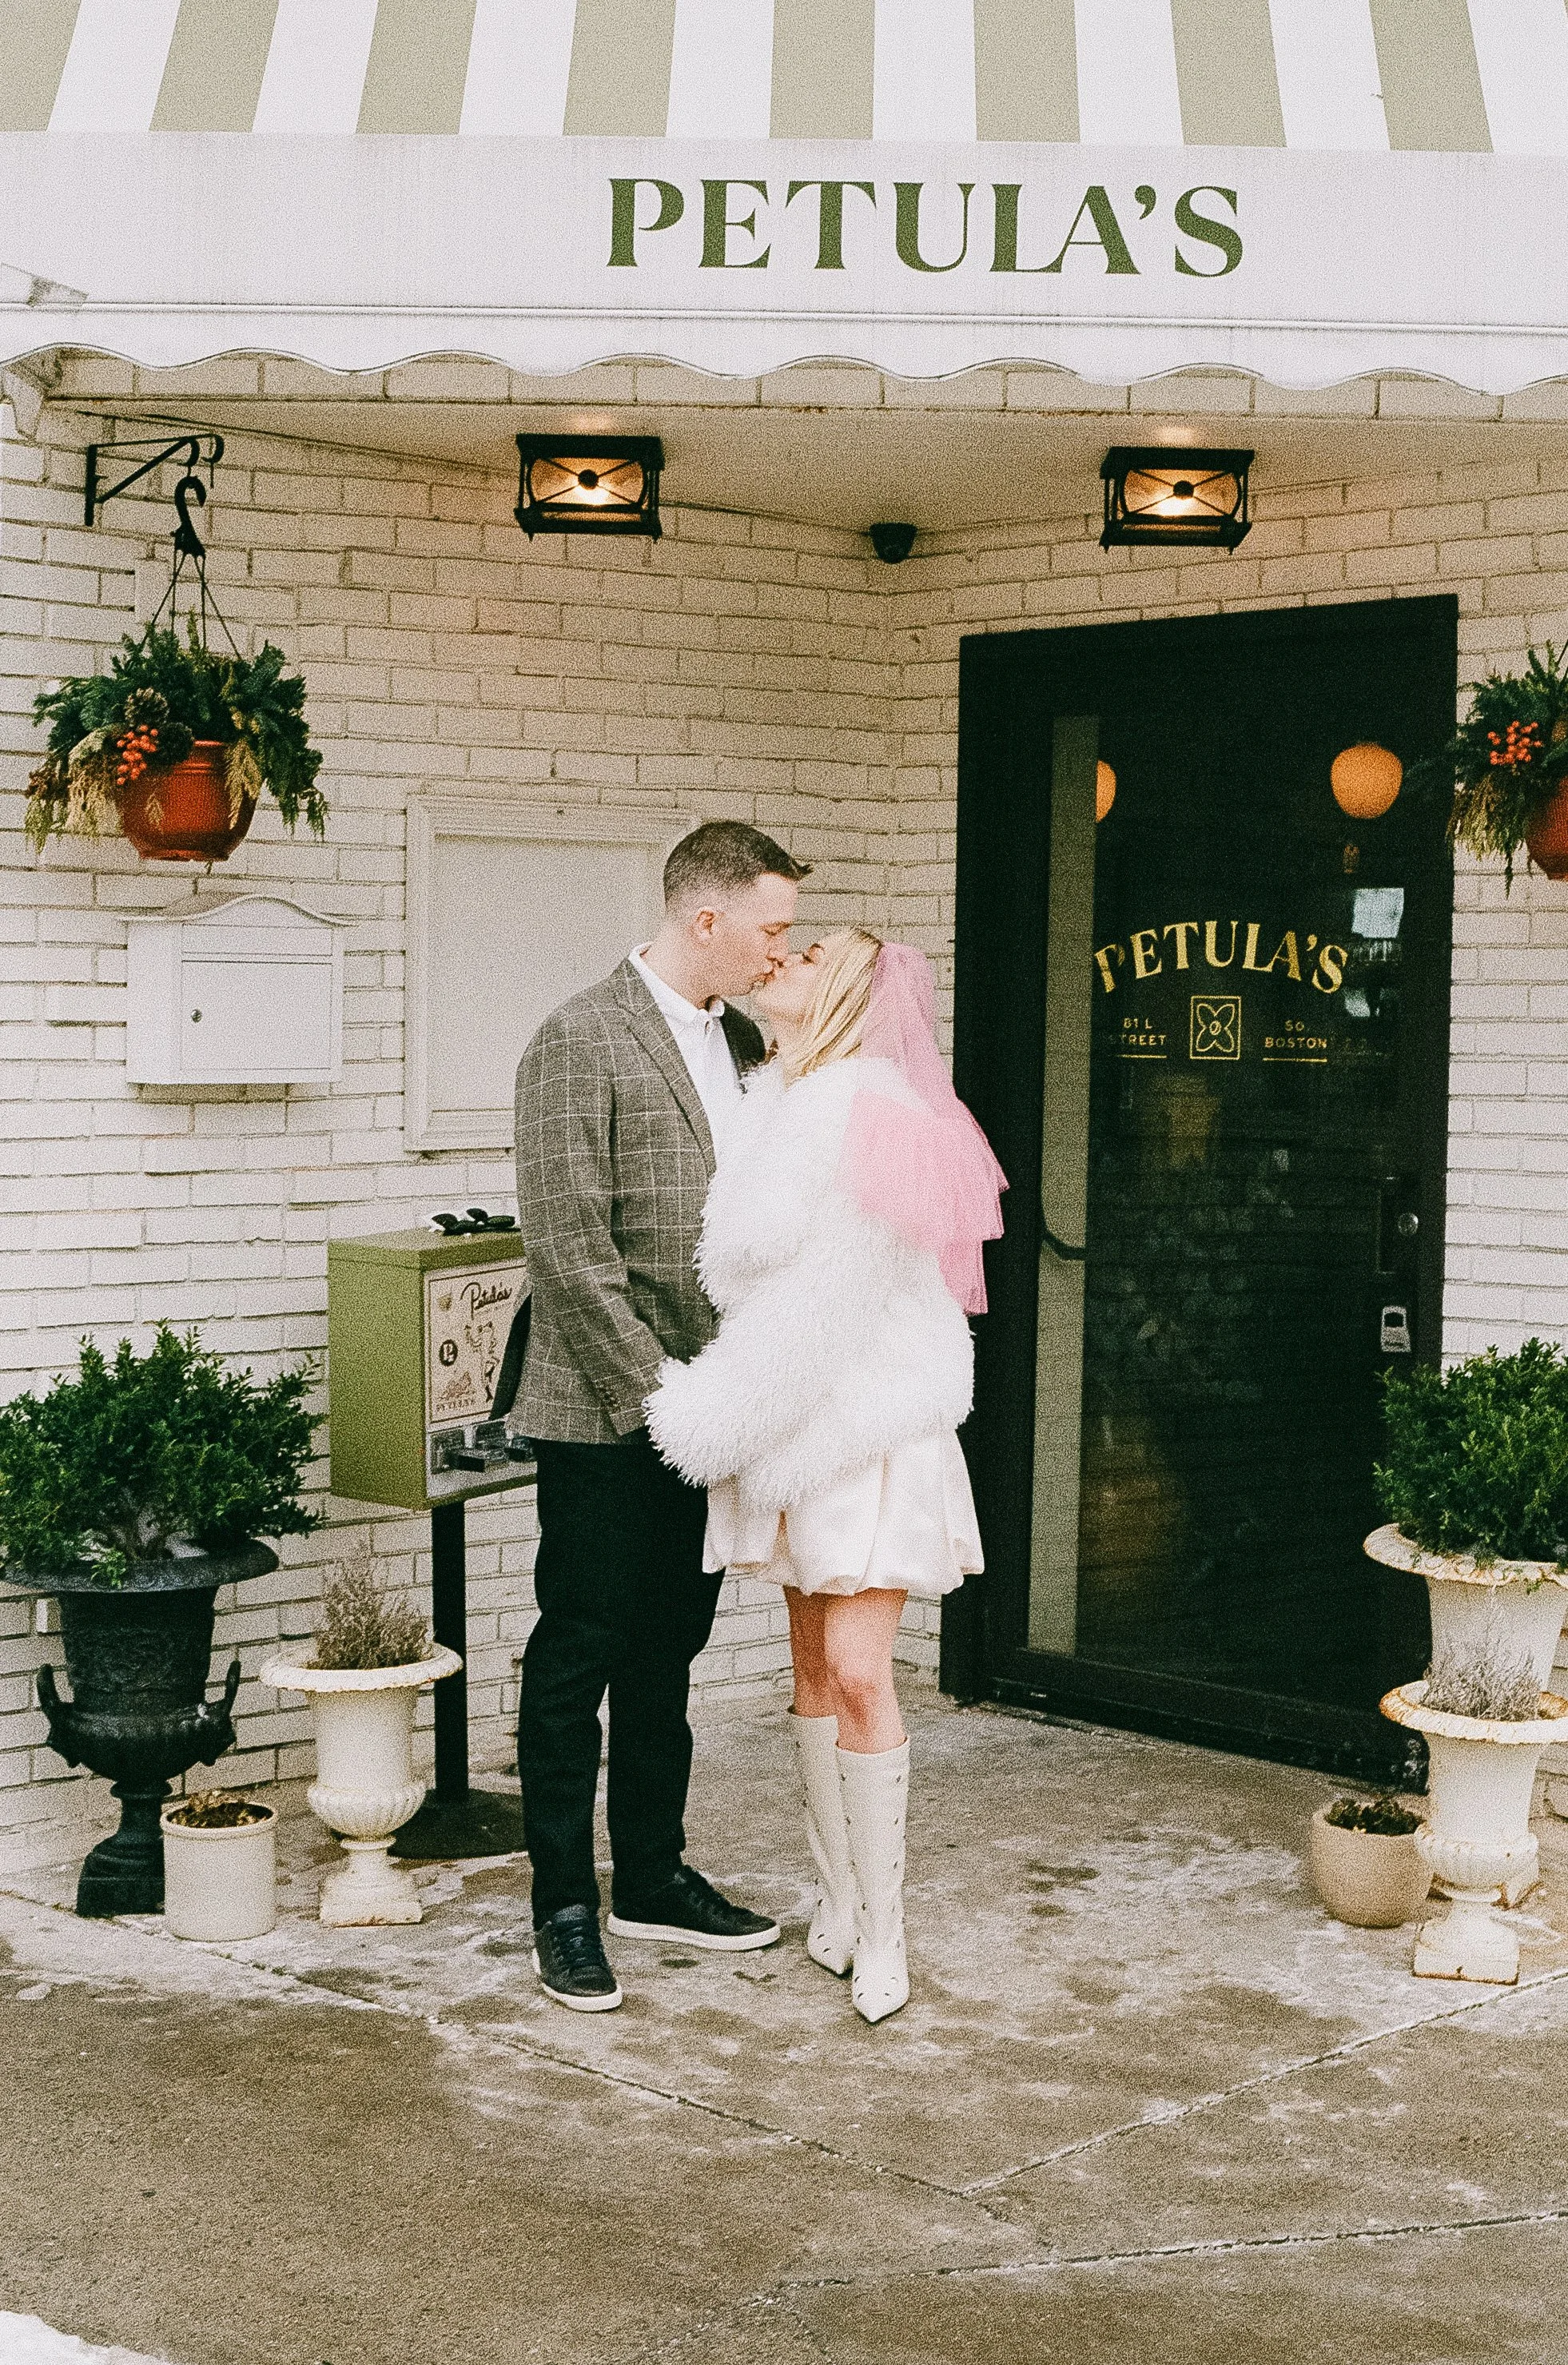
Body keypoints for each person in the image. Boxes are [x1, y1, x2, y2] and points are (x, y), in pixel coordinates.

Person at [647, 930, 1006, 2022]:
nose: (777, 965)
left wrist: (701, 1418)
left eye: (804, 958)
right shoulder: (774, 1105)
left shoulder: (873, 1114)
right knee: (807, 1663)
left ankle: (888, 1932)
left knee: (856, 1665)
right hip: (794, 1419)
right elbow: (753, 1293)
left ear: (842, 993)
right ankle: (840, 1900)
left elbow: (820, 1312)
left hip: (862, 1426)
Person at [513, 819, 810, 2012]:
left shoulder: (741, 1040)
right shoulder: (577, 1038)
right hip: (603, 1412)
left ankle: (649, 1873)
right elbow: (569, 1250)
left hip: (710, 1408)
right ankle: (564, 1906)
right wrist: (665, 1403)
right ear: (707, 918)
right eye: (771, 927)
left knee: (666, 1655)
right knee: (577, 1646)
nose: (779, 950)